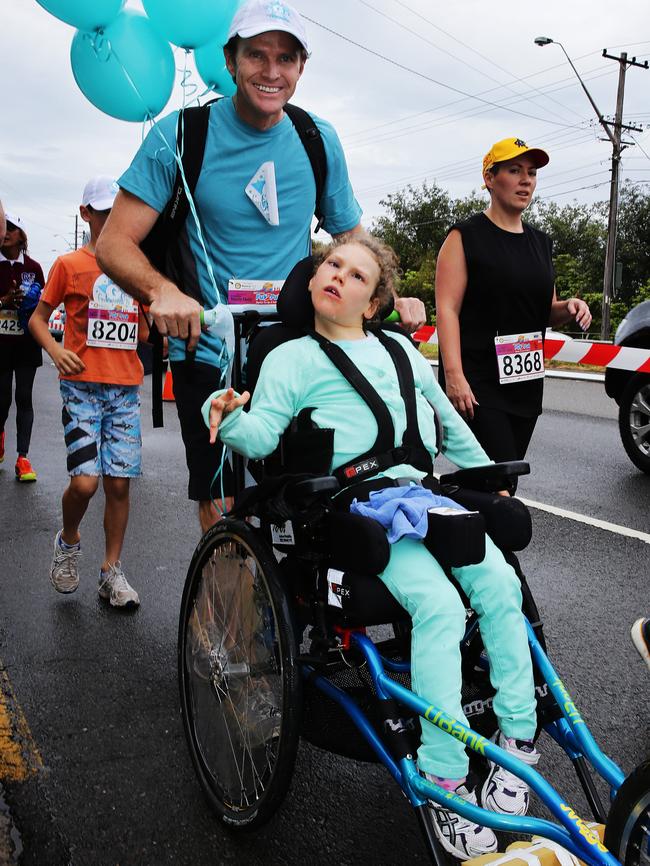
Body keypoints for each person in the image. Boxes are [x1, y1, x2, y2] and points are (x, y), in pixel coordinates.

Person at [203, 234, 539, 860]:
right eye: (331, 265)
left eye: (356, 275)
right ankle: (443, 776)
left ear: (376, 299)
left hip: (422, 494)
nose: (338, 277)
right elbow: (260, 434)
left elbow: (447, 422)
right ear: (312, 280)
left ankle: (517, 742)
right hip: (353, 505)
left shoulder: (402, 355)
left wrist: (490, 479)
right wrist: (222, 411)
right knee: (438, 606)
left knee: (500, 587)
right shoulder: (289, 357)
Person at [95, 0, 426, 534]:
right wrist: (163, 291)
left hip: (297, 352)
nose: (272, 72)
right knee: (224, 506)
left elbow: (355, 240)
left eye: (287, 58)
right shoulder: (180, 136)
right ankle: (234, 611)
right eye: (257, 55)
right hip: (209, 349)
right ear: (230, 61)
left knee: (312, 492)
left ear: (301, 68)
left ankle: (298, 607)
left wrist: (391, 295)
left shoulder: (318, 140)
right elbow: (114, 244)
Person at [435, 137, 592, 465]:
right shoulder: (465, 236)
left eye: (532, 173)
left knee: (503, 481)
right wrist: (453, 375)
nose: (526, 180)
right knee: (500, 478)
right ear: (490, 179)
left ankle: (465, 514)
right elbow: (447, 309)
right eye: (515, 170)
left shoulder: (541, 243)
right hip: (478, 383)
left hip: (526, 383)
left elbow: (545, 311)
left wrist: (570, 307)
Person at [29, 176, 144, 609]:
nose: (112, 218)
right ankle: (69, 541)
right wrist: (56, 351)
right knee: (84, 483)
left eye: (118, 210)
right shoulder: (69, 265)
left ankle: (111, 571)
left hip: (125, 391)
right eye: (103, 211)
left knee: (118, 484)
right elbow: (39, 318)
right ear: (86, 214)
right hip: (80, 389)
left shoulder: (136, 265)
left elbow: (146, 325)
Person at [0, 212, 45, 481]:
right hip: (1, 345)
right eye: (3, 227)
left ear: (22, 236)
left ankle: (23, 458)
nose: (5, 231)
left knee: (24, 397)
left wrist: (31, 305)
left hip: (27, 343)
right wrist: (3, 302)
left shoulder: (34, 267)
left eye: (12, 228)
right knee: (2, 398)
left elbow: (45, 303)